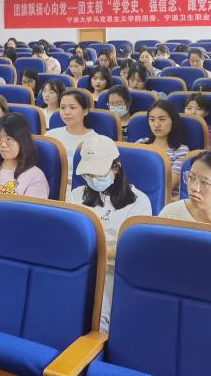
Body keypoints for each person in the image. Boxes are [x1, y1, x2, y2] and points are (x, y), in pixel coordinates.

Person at [66, 137, 151, 332]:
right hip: (79, 269)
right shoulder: (77, 195)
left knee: (99, 322)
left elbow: (132, 250)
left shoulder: (139, 202)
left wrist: (97, 251)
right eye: (88, 174)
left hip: (115, 274)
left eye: (98, 173)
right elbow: (68, 239)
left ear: (116, 167)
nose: (93, 179)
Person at [0, 114, 49, 216]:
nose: (2, 144)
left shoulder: (35, 177)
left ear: (23, 141)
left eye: (9, 139)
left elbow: (31, 218)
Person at [46, 89, 108, 177]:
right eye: (62, 108)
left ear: (85, 111)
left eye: (72, 108)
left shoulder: (97, 141)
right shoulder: (50, 136)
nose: (66, 112)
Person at [136, 100, 189, 194]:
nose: (156, 124)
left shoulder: (181, 150)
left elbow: (169, 185)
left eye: (162, 119)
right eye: (152, 120)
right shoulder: (140, 144)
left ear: (173, 121)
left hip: (164, 198)